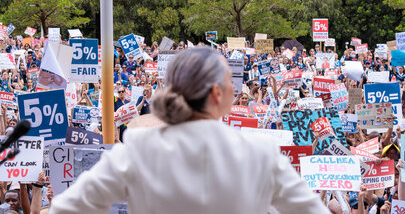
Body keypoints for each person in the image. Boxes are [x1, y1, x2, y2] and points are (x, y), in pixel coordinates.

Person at [50, 47, 328, 214]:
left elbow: (66, 208)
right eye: (232, 80)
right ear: (217, 93)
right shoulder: (260, 154)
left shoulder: (138, 151)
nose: (237, 89)